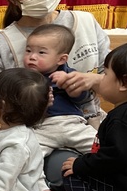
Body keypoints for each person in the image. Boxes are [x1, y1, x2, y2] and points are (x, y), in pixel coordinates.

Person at [0, 0, 109, 189]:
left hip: (90, 126)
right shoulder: (2, 44)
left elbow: (115, 80)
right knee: (62, 172)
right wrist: (31, 103)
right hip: (36, 132)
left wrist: (93, 81)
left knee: (112, 159)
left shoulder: (85, 22)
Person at [59, 44, 127, 191]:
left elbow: (115, 156)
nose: (101, 79)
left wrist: (81, 164)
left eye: (105, 74)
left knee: (71, 171)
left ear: (124, 83)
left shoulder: (120, 118)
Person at [22, 24, 99, 157]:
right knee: (26, 155)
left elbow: (83, 99)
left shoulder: (70, 74)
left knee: (101, 149)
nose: (32, 57)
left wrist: (70, 87)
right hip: (42, 127)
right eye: (28, 50)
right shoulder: (23, 78)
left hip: (72, 124)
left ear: (61, 59)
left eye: (41, 52)